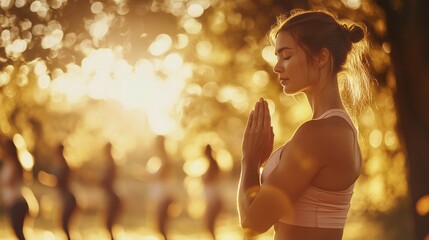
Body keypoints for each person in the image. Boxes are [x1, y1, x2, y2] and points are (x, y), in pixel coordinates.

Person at [237, 9, 371, 239]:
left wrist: (249, 158)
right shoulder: (339, 128)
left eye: (286, 56)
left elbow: (252, 223)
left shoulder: (319, 133)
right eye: (276, 57)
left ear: (321, 57)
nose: (277, 67)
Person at [0, 139, 29, 240]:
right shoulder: (7, 163)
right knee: (17, 233)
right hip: (12, 204)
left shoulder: (14, 164)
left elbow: (9, 181)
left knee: (19, 234)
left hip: (17, 204)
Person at [55, 143, 77, 240]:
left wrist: (46, 179)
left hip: (68, 199)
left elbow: (59, 182)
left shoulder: (63, 165)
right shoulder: (62, 164)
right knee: (64, 225)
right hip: (67, 198)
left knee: (65, 224)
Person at [101, 142, 121, 240]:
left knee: (109, 225)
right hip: (110, 197)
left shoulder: (111, 164)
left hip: (112, 198)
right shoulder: (109, 163)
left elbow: (105, 182)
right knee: (108, 225)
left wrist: (91, 179)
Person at [202, 144, 223, 239]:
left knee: (210, 224)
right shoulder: (211, 164)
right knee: (209, 225)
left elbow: (214, 183)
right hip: (211, 199)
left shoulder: (213, 164)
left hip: (213, 199)